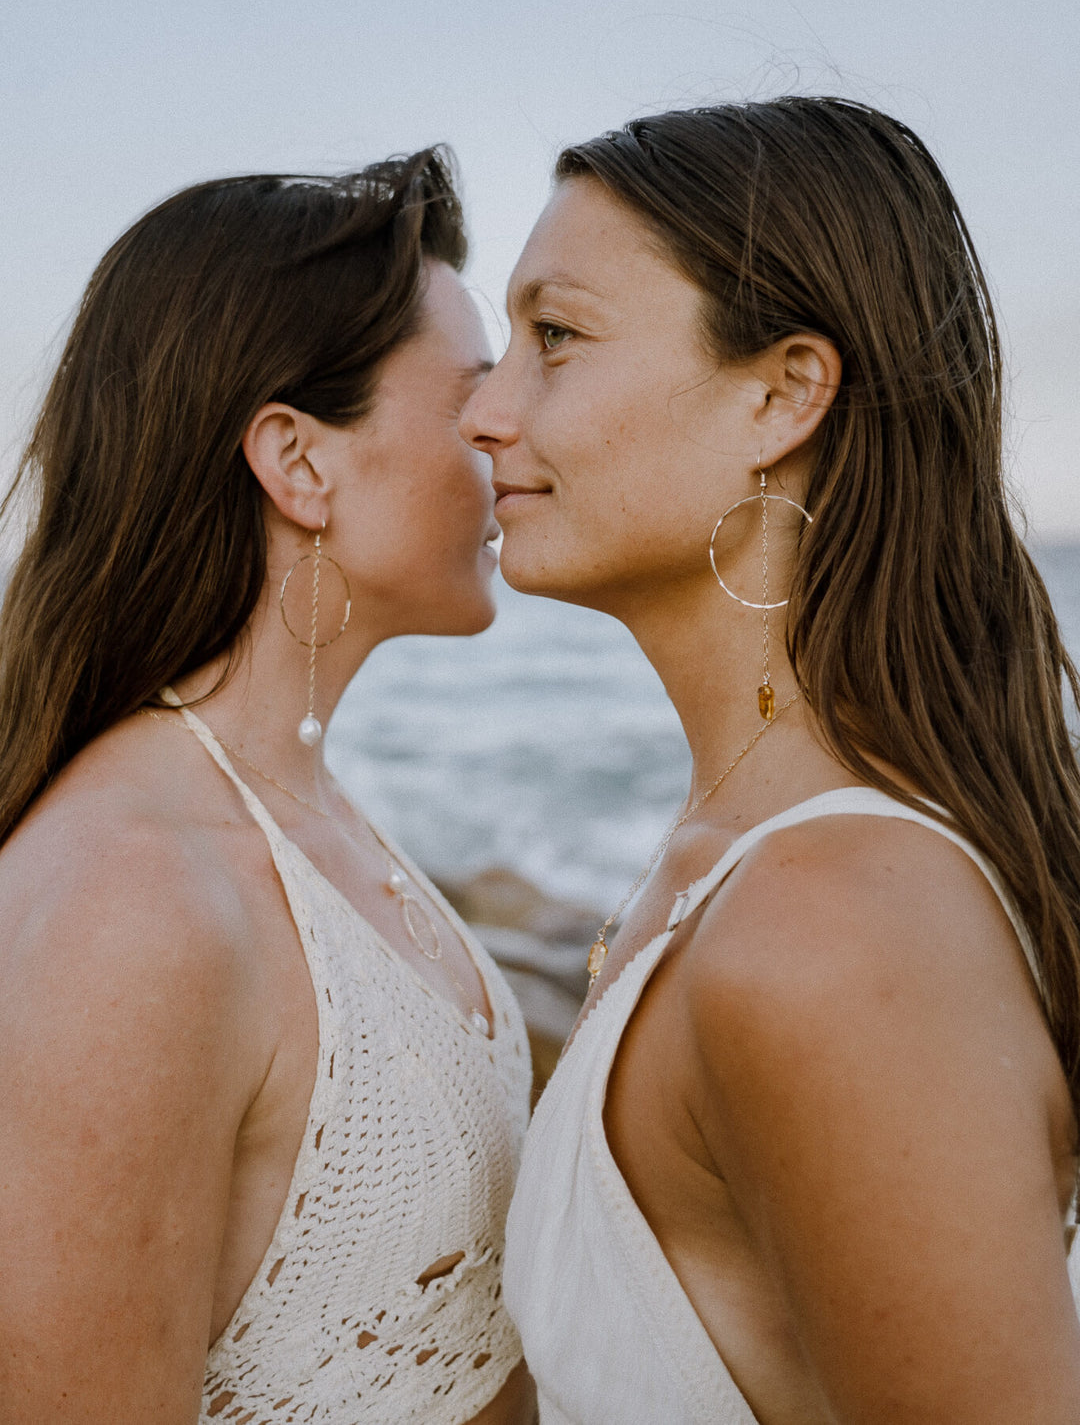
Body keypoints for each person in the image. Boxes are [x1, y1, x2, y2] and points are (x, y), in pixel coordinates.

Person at [460, 98, 1080, 1424]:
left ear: (783, 392)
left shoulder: (833, 928)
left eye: (555, 337)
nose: (486, 413)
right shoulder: (741, 856)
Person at [0, 151, 534, 1423]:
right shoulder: (138, 902)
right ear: (299, 462)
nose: (513, 427)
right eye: (471, 395)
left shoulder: (297, 813)